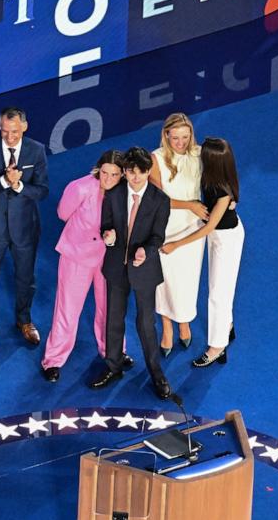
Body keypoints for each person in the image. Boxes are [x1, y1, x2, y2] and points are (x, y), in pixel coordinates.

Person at [89, 148, 173, 400]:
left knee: (146, 324)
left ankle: (156, 373)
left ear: (148, 171)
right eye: (130, 172)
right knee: (114, 319)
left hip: (144, 269)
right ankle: (113, 366)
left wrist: (145, 252)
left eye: (140, 173)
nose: (134, 178)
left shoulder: (160, 200)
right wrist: (108, 235)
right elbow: (106, 224)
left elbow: (158, 236)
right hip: (116, 266)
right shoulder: (113, 194)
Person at [41, 150, 131, 382]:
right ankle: (53, 360)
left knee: (109, 308)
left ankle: (114, 352)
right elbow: (63, 214)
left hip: (108, 258)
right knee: (67, 310)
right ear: (97, 169)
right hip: (76, 256)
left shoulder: (124, 192)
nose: (108, 179)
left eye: (114, 174)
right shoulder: (80, 187)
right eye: (104, 173)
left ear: (122, 175)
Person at [161, 138, 244, 368]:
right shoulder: (213, 173)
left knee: (218, 293)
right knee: (221, 288)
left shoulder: (224, 193)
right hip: (217, 235)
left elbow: (209, 227)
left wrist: (176, 244)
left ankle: (217, 347)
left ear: (213, 161)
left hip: (226, 239)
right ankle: (226, 326)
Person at [0, 107, 48, 347]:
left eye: (15, 131)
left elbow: (42, 190)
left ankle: (24, 320)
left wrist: (19, 187)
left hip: (25, 228)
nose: (10, 136)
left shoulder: (36, 151)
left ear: (24, 127)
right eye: (5, 131)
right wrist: (5, 181)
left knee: (26, 278)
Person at [150, 112, 206, 355]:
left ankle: (183, 322)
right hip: (165, 227)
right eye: (175, 138)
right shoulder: (156, 158)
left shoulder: (199, 154)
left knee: (187, 279)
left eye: (185, 137)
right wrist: (191, 205)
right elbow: (157, 199)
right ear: (166, 136)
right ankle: (167, 327)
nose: (181, 142)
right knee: (164, 281)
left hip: (193, 227)